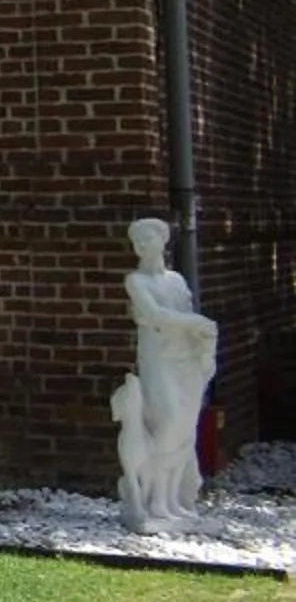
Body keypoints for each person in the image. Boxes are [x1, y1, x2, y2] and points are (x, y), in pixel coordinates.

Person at [119, 217, 218, 532]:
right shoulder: (136, 281)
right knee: (170, 421)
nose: (143, 247)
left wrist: (205, 346)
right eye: (137, 242)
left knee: (186, 431)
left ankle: (174, 501)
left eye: (148, 239)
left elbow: (187, 316)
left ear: (162, 241)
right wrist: (197, 324)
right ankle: (156, 498)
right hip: (158, 360)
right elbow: (155, 316)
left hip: (185, 360)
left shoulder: (176, 281)